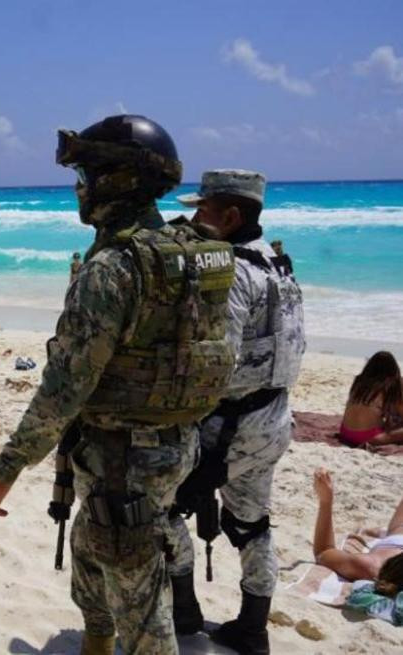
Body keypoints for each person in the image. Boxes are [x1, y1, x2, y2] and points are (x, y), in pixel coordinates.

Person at [0, 115, 236, 655]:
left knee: (142, 615)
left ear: (117, 180)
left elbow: (64, 387)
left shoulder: (115, 268)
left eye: (87, 172)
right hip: (171, 447)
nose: (81, 185)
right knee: (91, 558)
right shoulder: (190, 254)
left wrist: (10, 465)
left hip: (123, 461)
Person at [165, 170, 306, 652]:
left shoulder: (232, 274)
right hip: (275, 419)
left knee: (162, 505)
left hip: (232, 425)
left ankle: (183, 611)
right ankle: (252, 627)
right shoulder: (279, 264)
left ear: (230, 216)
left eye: (203, 211)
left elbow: (216, 363)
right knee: (251, 523)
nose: (193, 218)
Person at [312, 468, 403, 592]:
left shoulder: (370, 566)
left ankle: (380, 532)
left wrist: (326, 501)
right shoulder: (371, 567)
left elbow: (324, 552)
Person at [337, 351, 403, 447]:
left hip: (345, 432)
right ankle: (372, 442)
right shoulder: (391, 384)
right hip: (368, 436)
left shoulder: (359, 380)